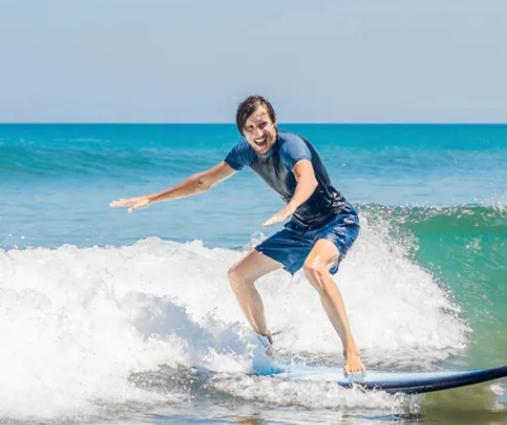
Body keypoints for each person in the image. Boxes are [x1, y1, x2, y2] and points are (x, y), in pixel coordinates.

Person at [110, 96, 365, 374]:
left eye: (263, 125)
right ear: (243, 132)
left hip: (336, 219)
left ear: (274, 123)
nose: (259, 133)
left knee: (314, 269)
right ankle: (266, 346)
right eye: (251, 128)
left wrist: (291, 206)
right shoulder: (245, 152)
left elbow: (308, 179)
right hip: (301, 227)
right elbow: (201, 182)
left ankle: (351, 350)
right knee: (238, 276)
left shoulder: (291, 146)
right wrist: (153, 197)